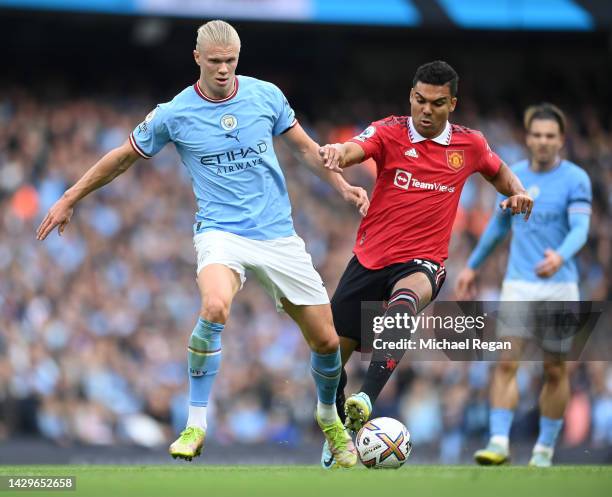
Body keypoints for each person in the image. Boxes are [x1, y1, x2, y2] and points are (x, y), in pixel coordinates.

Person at [36, 19, 370, 467]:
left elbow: (306, 150)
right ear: (197, 59)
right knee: (214, 307)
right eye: (214, 62)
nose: (223, 69)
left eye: (230, 61)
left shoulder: (265, 95)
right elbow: (120, 158)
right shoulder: (174, 113)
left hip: (277, 236)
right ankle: (195, 423)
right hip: (220, 233)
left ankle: (328, 416)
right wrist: (69, 196)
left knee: (328, 343)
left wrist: (343, 187)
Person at [317, 60, 533, 468]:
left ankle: (367, 397)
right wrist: (336, 154)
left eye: (436, 103)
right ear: (411, 98)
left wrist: (518, 192)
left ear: (452, 103)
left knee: (407, 299)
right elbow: (354, 148)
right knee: (327, 357)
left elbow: (499, 172)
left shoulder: (469, 145)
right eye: (419, 100)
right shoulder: (390, 131)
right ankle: (341, 429)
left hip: (423, 262)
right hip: (369, 259)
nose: (426, 110)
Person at [455, 103, 592, 467]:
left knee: (554, 370)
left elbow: (580, 228)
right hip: (518, 284)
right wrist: (472, 267)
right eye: (537, 135)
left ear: (561, 139)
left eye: (550, 136)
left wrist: (560, 256)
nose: (543, 142)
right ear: (527, 138)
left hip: (560, 287)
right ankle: (498, 441)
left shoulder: (576, 179)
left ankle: (544, 449)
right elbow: (499, 228)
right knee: (505, 363)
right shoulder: (511, 177)